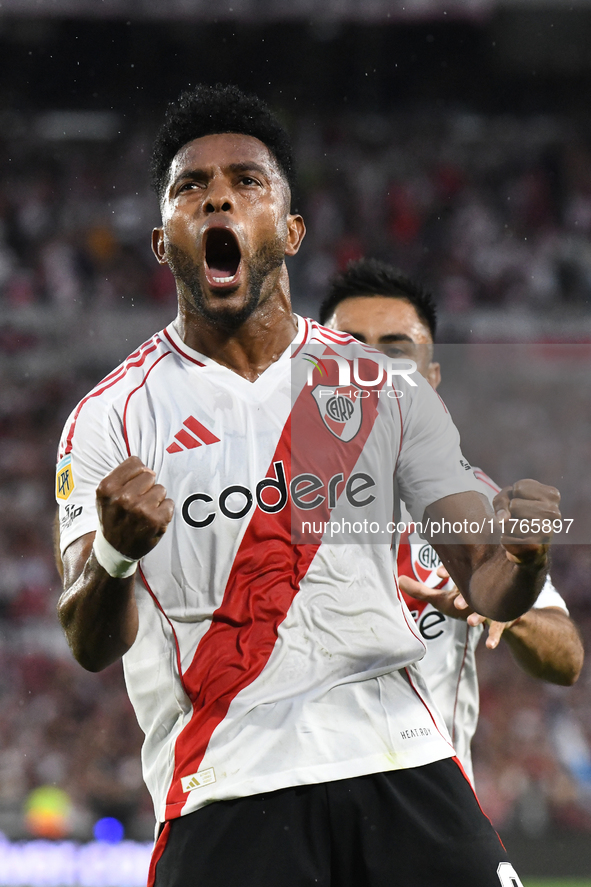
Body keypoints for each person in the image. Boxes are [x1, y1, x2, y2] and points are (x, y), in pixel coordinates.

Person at [56, 84, 560, 887]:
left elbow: (488, 583)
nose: (217, 193)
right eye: (191, 185)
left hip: (398, 759)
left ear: (288, 232)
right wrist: (116, 553)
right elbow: (87, 641)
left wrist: (526, 560)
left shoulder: (383, 390)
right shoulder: (110, 418)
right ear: (163, 242)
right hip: (227, 781)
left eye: (246, 180)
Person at [320, 257, 584, 782]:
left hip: (425, 799)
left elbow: (566, 657)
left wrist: (510, 609)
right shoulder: (260, 496)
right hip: (290, 798)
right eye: (348, 348)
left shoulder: (478, 505)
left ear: (431, 379)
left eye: (396, 351)